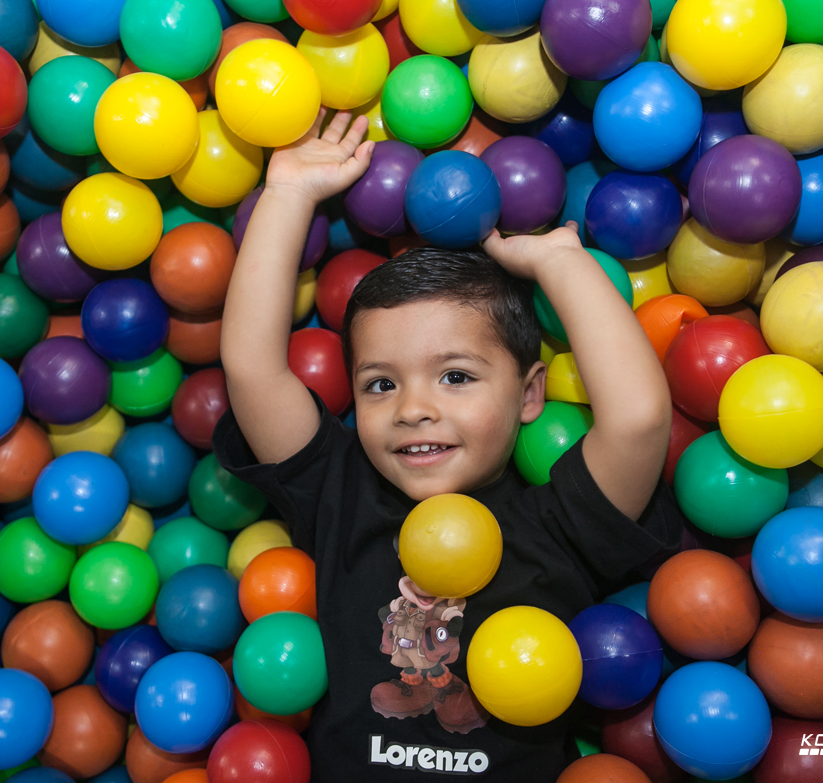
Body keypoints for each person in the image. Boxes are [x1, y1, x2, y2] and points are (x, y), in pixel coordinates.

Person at [214, 110, 682, 781]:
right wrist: (287, 194)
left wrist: (560, 263)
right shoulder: (340, 494)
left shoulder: (560, 527)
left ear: (529, 396)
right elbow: (253, 369)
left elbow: (638, 419)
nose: (413, 410)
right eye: (379, 385)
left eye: (456, 376)